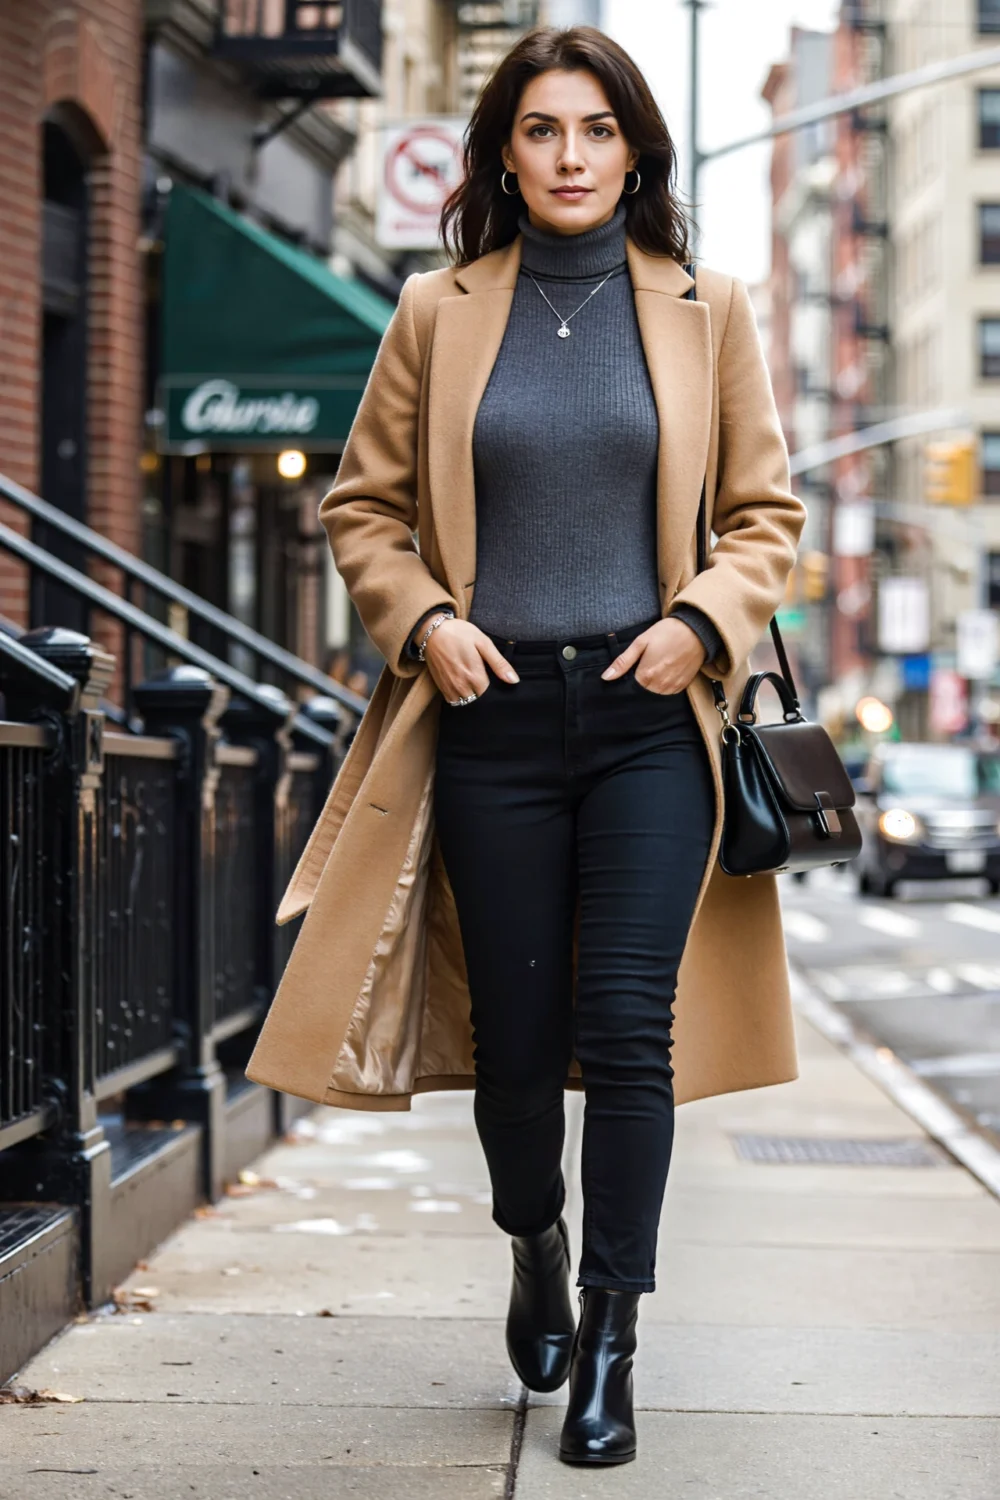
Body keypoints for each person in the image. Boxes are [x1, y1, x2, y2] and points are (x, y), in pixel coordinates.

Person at [245, 24, 805, 1470]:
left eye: (597, 131)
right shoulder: (440, 309)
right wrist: (424, 618)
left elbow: (765, 517)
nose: (570, 157)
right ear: (507, 149)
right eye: (544, 131)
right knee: (513, 1042)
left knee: (628, 1031)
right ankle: (535, 1245)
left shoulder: (705, 305)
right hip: (488, 718)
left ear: (636, 152)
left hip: (647, 719)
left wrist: (699, 618)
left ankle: (614, 1337)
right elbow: (361, 508)